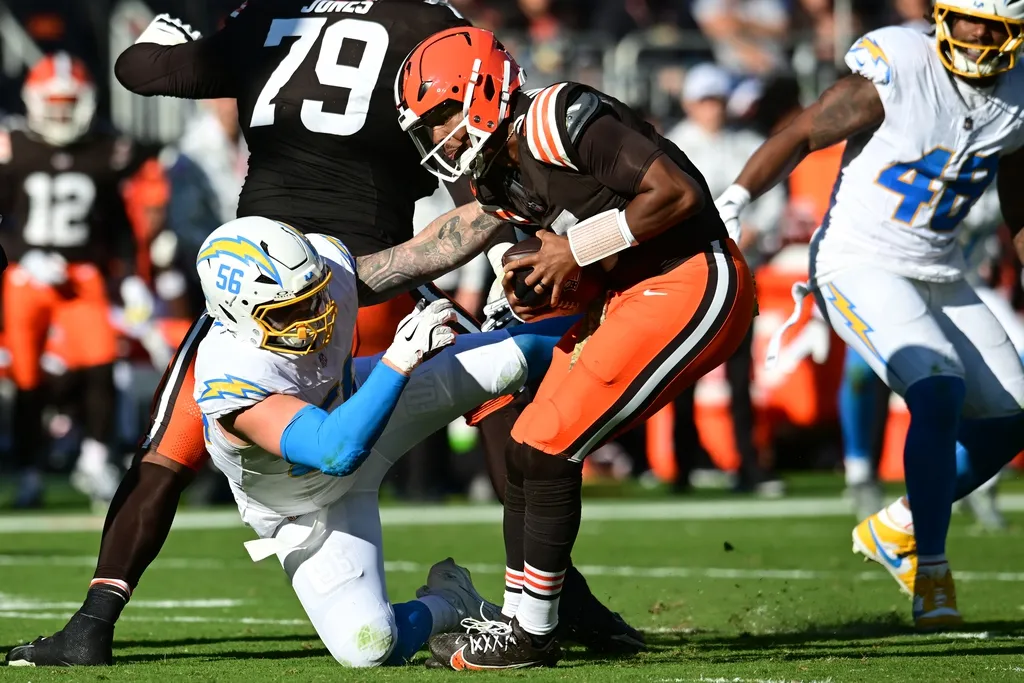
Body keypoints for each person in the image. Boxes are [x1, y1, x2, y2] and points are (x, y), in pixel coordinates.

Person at [4, 2, 638, 667]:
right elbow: (473, 140)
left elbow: (142, 69)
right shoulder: (424, 21)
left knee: (167, 449)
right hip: (360, 269)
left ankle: (94, 618)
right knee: (500, 401)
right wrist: (511, 251)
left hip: (274, 276)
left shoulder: (272, 14)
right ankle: (553, 593)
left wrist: (169, 29)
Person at [13, 215, 573, 668]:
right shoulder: (229, 375)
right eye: (291, 310)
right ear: (236, 315)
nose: (316, 315)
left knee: (518, 354)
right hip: (306, 503)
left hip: (367, 409)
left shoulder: (320, 272)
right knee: (367, 645)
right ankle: (451, 600)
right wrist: (402, 358)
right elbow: (335, 450)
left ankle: (636, 315)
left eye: (314, 295)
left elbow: (419, 255)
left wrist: (499, 209)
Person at [394, 26, 756, 669]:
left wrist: (574, 251)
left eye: (444, 112)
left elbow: (675, 194)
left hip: (693, 275)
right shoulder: (498, 176)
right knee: (527, 443)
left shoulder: (555, 117)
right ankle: (525, 619)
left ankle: (534, 633)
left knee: (547, 440)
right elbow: (571, 261)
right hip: (629, 293)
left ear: (481, 91)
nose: (440, 133)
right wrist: (542, 287)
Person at [714, 0, 1024, 629]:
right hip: (857, 261)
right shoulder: (902, 64)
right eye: (969, 20)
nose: (979, 36)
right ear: (943, 18)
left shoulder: (1016, 95)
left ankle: (901, 524)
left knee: (1013, 417)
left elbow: (1019, 198)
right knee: (938, 391)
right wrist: (738, 197)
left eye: (996, 27)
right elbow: (804, 132)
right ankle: (930, 566)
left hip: (939, 268)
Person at [1, 52, 143, 508]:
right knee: (27, 379)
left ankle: (95, 458)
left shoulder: (104, 150)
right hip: (25, 279)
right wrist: (22, 256)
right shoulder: (13, 147)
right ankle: (28, 472)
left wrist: (131, 277)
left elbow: (118, 225)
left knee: (103, 361)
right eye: (53, 102)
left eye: (69, 102)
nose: (61, 112)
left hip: (82, 277)